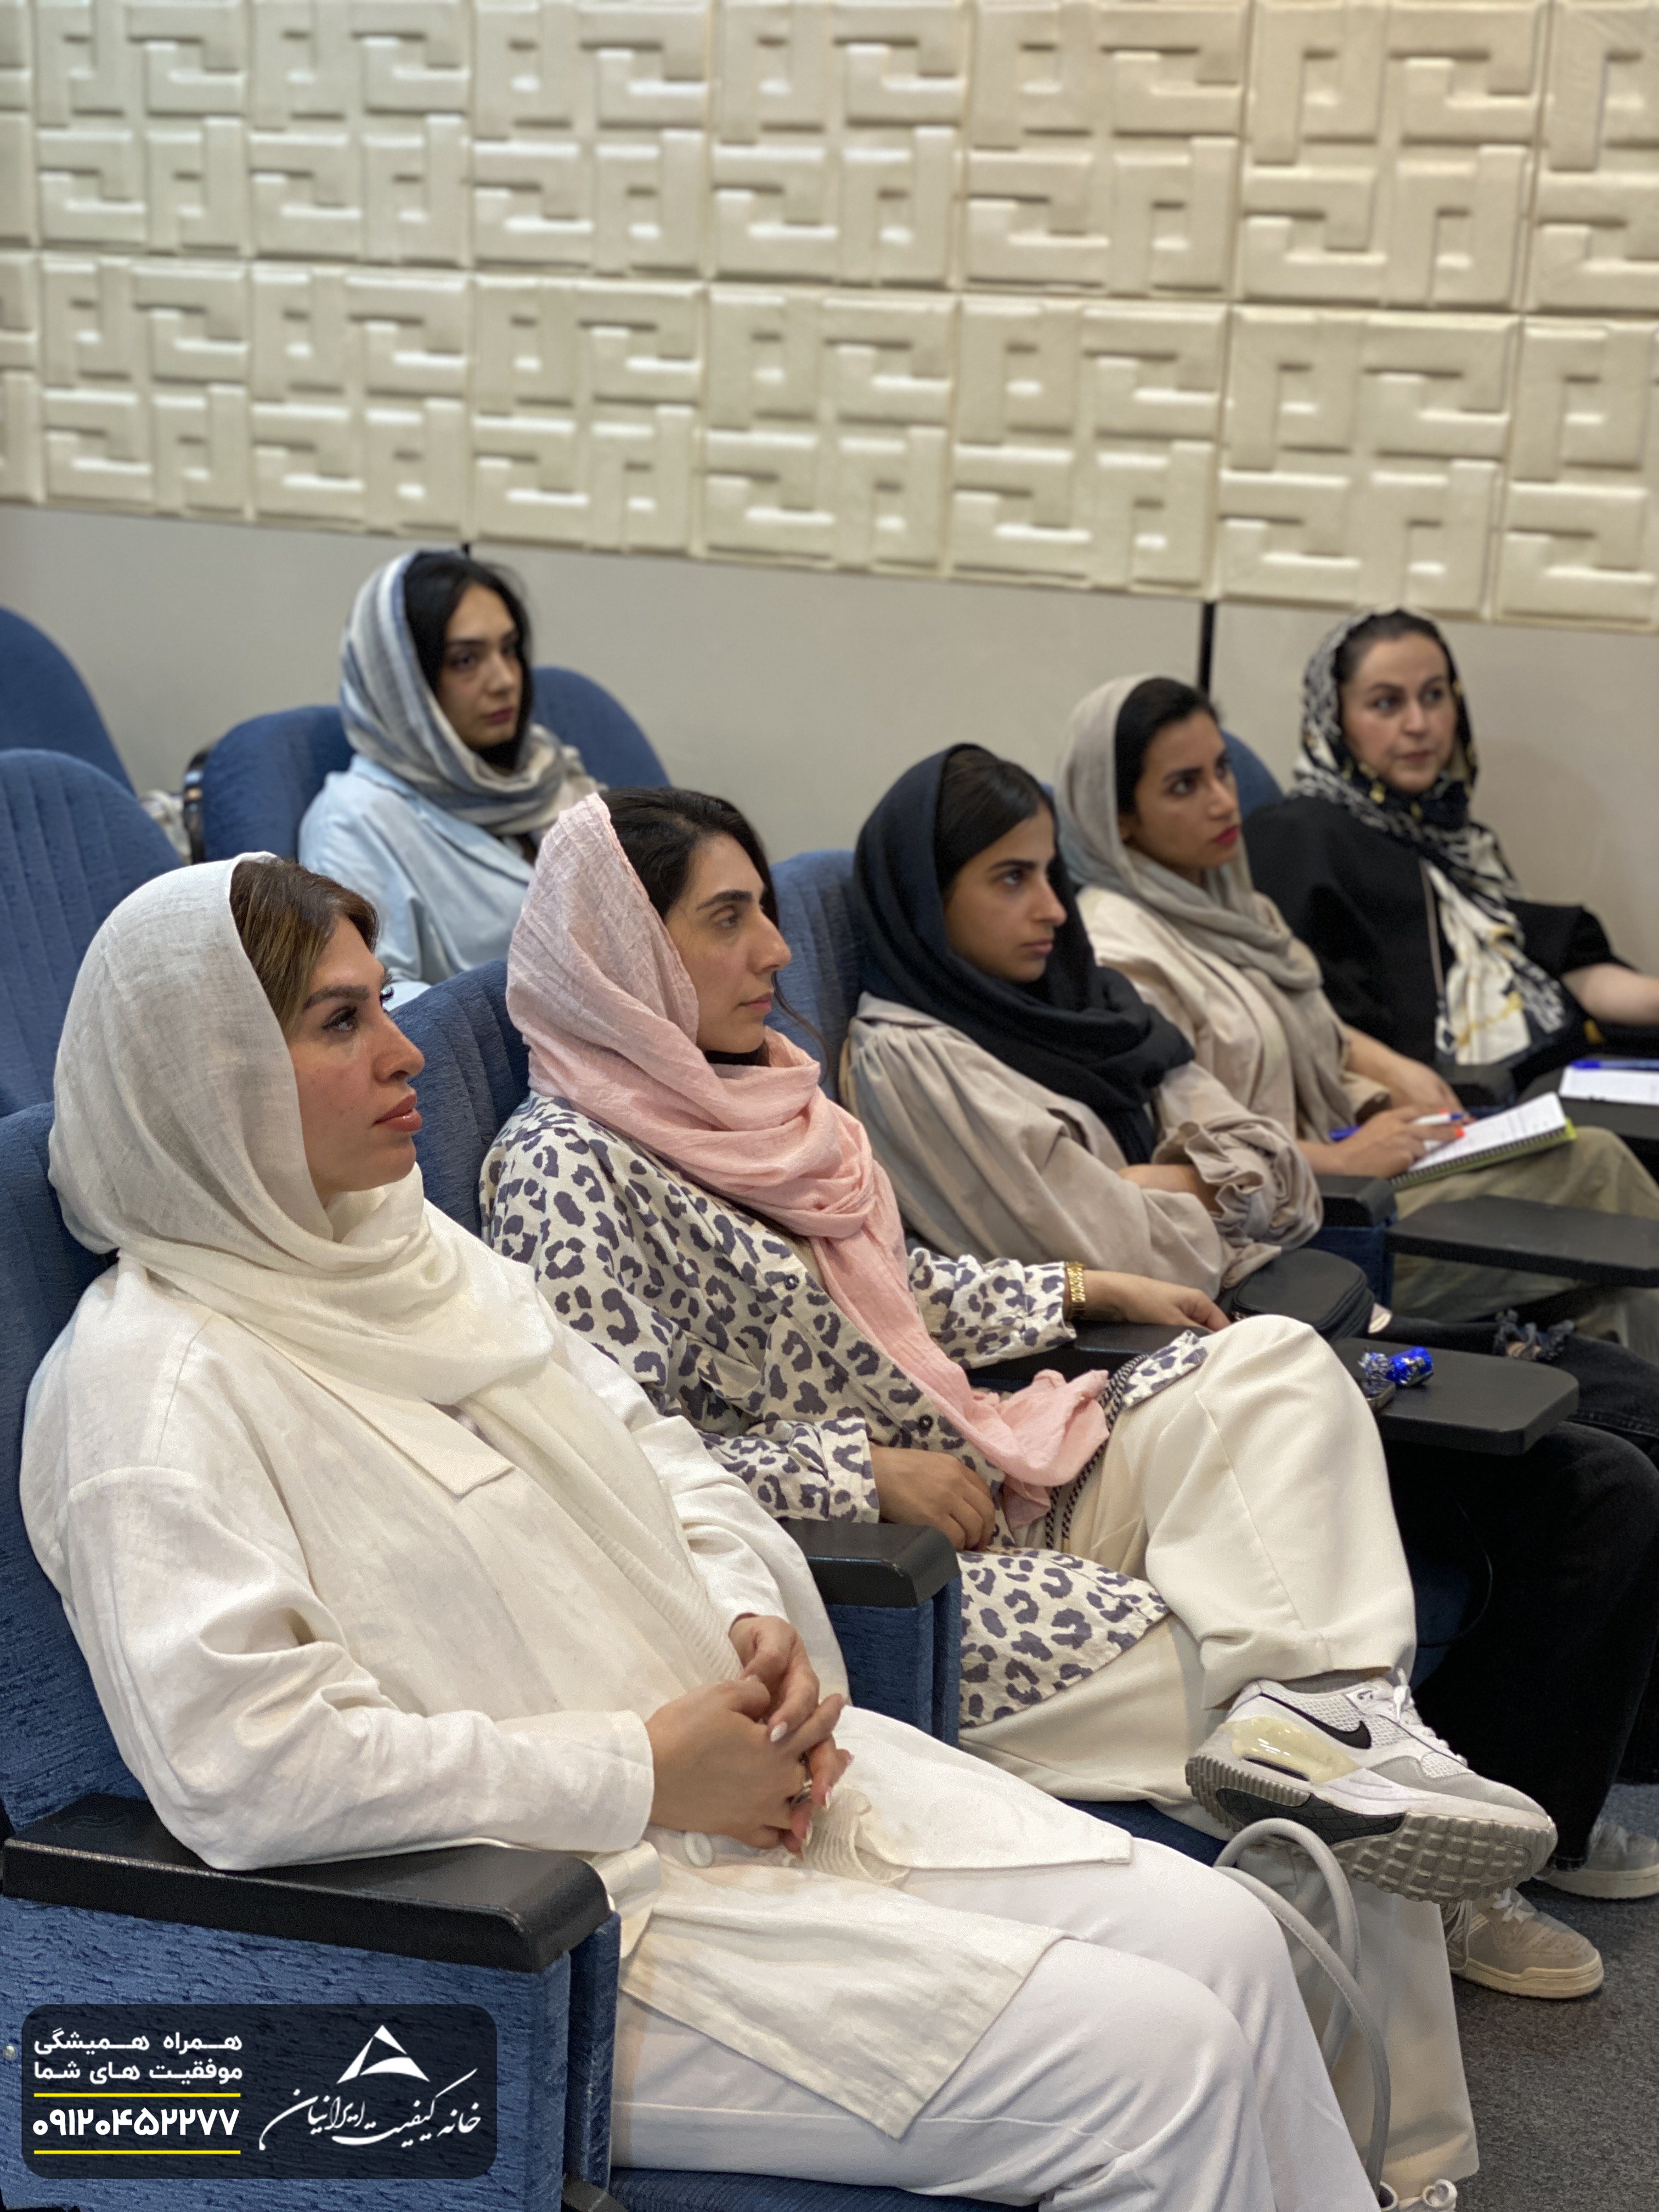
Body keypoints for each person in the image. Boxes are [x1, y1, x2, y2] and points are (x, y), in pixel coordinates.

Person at [22, 856, 1389, 2212]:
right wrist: (641, 1772)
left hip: (748, 1788)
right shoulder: (153, 1386)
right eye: (342, 1021)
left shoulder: (413, 1258)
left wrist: (753, 1621)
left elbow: (667, 1456)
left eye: (385, 1003)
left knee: (1232, 1939)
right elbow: (253, 1771)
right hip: (557, 1925)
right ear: (206, 1080)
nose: (405, 1050)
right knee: (1162, 2067)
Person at [480, 791, 1578, 2186]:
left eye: (766, 909)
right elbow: (611, 1469)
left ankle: (1329, 1712)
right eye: (727, 918)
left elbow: (896, 1298)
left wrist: (1077, 1287)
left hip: (983, 1469)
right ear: (619, 952)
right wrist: (855, 1470)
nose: (775, 951)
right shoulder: (565, 1170)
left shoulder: (762, 1099)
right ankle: (1403, 2164)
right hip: (873, 1578)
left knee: (1273, 1371)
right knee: (1250, 1699)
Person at [842, 740, 1659, 1994]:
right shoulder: (914, 1057)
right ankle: (1467, 1878)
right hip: (1155, 1384)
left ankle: (1518, 1811)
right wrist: (1202, 1192)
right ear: (922, 894)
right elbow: (1122, 1241)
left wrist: (1177, 1184)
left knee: (1616, 1436)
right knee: (1593, 1487)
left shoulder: (1086, 1001)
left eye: (1050, 872)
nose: (1051, 907)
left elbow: (1267, 1171)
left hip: (1276, 1326)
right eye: (1009, 879)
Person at [1055, 672, 1659, 1350]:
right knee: (1596, 1171)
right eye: (1184, 786)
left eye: (1222, 770)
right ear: (1118, 816)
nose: (1224, 800)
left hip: (1349, 1175)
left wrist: (1381, 1096)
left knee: (1601, 1282)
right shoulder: (1121, 952)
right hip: (1293, 1236)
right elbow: (1186, 1147)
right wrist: (1341, 1157)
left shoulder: (1236, 909)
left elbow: (1308, 1040)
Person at [1243, 608, 1659, 1090]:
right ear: (1335, 720)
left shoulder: (1456, 840)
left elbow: (1550, 959)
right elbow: (1302, 1023)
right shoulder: (1296, 840)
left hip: (1547, 1076)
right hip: (1430, 1106)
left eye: (1434, 696)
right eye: (1386, 704)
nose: (1419, 724)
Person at [298, 549, 595, 995]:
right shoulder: (352, 821)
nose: (504, 680)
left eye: (508, 649)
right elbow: (375, 1005)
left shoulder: (547, 772)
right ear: (402, 682)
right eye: (465, 660)